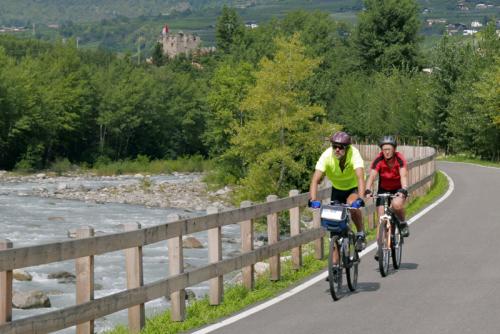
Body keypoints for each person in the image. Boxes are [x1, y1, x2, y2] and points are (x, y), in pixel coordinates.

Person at [309, 131, 367, 251]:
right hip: (337, 189)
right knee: (334, 228)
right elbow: (315, 180)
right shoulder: (326, 156)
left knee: (352, 204)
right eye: (334, 146)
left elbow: (360, 178)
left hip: (353, 187)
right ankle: (335, 266)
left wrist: (361, 199)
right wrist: (313, 200)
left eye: (340, 147)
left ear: (347, 148)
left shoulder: (354, 154)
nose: (337, 150)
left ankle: (360, 233)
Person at [365, 136, 410, 248]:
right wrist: (368, 190)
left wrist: (404, 188)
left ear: (394, 149)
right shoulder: (378, 160)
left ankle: (402, 223)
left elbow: (403, 175)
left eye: (389, 149)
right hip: (383, 189)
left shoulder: (399, 159)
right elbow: (372, 176)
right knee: (381, 219)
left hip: (398, 188)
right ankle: (381, 247)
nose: (386, 152)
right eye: (384, 149)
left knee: (396, 205)